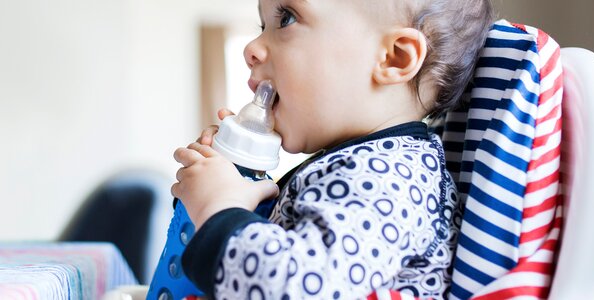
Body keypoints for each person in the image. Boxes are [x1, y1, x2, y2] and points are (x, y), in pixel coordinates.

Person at [171, 0, 494, 298]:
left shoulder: (391, 178)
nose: (251, 49)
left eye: (287, 18)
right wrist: (227, 186)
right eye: (261, 26)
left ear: (393, 57)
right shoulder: (358, 163)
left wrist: (220, 207)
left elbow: (294, 289)